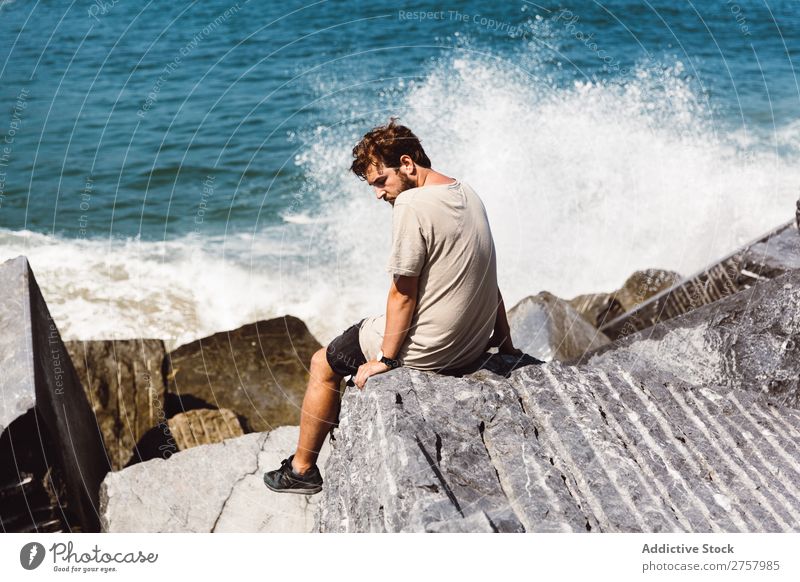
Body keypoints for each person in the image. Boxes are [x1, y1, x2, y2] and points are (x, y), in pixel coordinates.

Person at [263, 119, 521, 494]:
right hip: (476, 344)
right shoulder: (467, 192)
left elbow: (402, 293)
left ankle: (301, 471)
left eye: (381, 182)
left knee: (323, 361)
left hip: (433, 352)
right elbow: (486, 273)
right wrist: (505, 341)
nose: (379, 195)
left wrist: (386, 359)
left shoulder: (412, 204)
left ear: (407, 163)